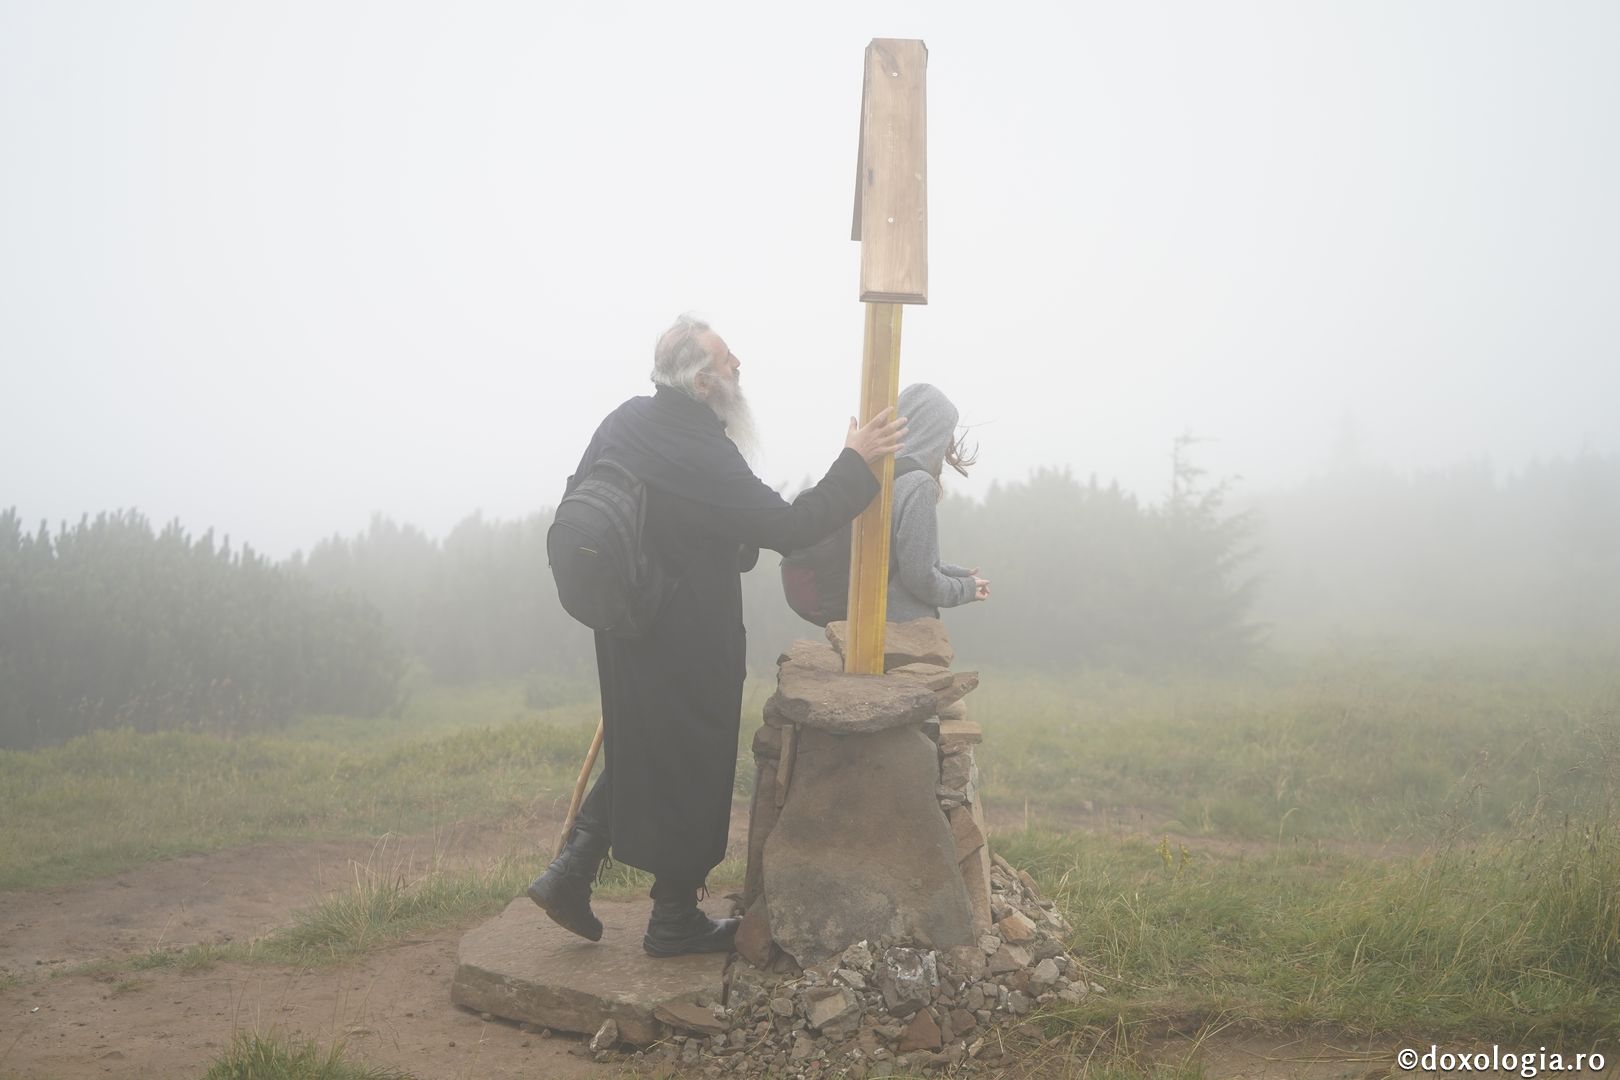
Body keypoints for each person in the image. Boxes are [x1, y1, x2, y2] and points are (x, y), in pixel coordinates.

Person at [528, 314, 907, 957]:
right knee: (693, 764)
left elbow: (581, 493)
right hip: (687, 640)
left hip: (623, 627)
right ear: (704, 383)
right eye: (729, 361)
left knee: (640, 743)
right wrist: (857, 463)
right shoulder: (699, 447)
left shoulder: (625, 420)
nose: (740, 368)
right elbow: (790, 526)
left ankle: (570, 874)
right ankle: (673, 920)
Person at [887, 383, 989, 620]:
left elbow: (899, 559)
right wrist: (966, 589)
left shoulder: (873, 474)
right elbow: (919, 576)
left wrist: (956, 574)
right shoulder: (917, 485)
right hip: (897, 630)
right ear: (933, 433)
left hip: (857, 616)